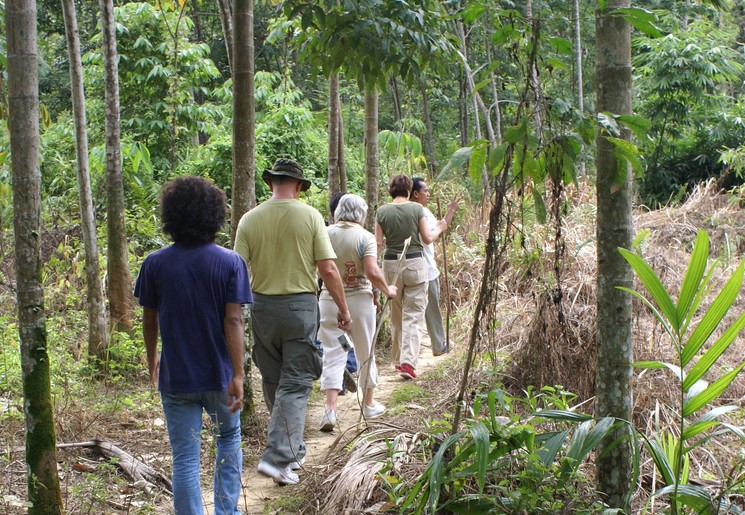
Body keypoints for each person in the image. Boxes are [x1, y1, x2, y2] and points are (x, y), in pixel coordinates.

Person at [134, 176, 251, 515]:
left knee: (185, 455)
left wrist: (152, 359)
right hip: (220, 375)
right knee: (228, 441)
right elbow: (233, 321)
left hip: (177, 377)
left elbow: (149, 319)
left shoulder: (155, 263)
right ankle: (226, 512)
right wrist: (239, 373)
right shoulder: (230, 262)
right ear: (215, 216)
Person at [234, 158, 352, 486]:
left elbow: (237, 268)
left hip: (262, 307)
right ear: (298, 186)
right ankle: (278, 456)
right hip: (300, 306)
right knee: (297, 381)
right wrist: (343, 309)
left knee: (274, 381)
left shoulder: (249, 219)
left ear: (270, 182)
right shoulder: (310, 216)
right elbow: (328, 269)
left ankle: (293, 450)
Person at [318, 194, 398, 431]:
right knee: (366, 350)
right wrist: (387, 289)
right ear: (361, 214)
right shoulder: (365, 237)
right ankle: (369, 403)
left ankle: (330, 410)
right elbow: (372, 271)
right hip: (359, 299)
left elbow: (318, 268)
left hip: (329, 299)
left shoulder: (325, 234)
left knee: (333, 352)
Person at [375, 174, 448, 381]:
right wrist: (440, 228)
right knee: (414, 315)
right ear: (409, 191)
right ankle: (408, 362)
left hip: (390, 265)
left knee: (396, 314)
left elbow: (378, 244)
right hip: (415, 263)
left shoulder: (382, 211)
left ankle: (398, 360)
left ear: (391, 190)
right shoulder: (417, 209)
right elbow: (427, 238)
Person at [410, 177, 460, 356]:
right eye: (425, 191)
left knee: (412, 313)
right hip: (426, 268)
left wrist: (450, 211)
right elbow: (433, 233)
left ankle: (409, 354)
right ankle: (438, 345)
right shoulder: (421, 211)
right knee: (431, 309)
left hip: (409, 268)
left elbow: (440, 227)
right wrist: (442, 223)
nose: (428, 194)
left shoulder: (405, 212)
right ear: (415, 193)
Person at [328, 192, 359, 396]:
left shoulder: (324, 232)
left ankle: (338, 374)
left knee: (331, 336)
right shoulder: (360, 234)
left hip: (327, 292)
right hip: (354, 289)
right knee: (349, 333)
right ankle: (348, 365)